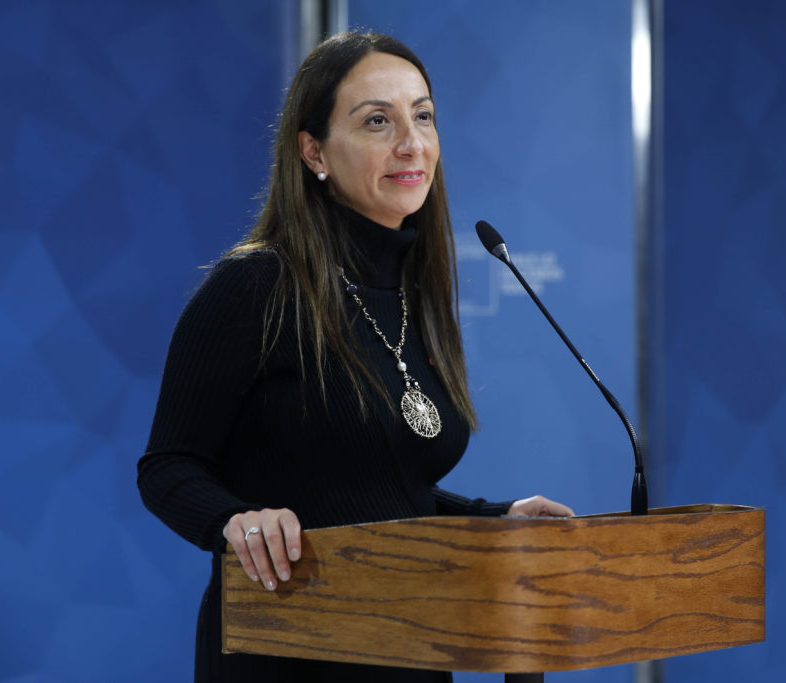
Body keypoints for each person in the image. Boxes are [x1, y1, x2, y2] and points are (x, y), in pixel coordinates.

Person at [137, 31, 573, 682]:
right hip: (284, 644)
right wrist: (236, 521)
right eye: (377, 121)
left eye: (423, 116)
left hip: (411, 641)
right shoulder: (256, 286)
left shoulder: (415, 294)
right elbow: (168, 466)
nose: (412, 143)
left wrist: (493, 520)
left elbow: (374, 489)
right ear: (313, 151)